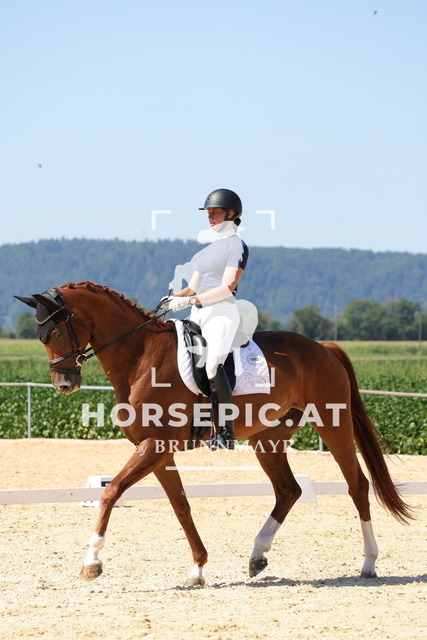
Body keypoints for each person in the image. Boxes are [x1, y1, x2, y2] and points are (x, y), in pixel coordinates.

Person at [159, 188, 249, 449]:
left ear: (231, 214)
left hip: (222, 313)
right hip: (198, 312)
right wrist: (173, 298)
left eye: (215, 213)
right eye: (208, 213)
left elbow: (227, 288)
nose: (210, 217)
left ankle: (227, 432)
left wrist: (189, 301)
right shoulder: (207, 251)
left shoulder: (237, 246)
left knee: (211, 366)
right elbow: (192, 287)